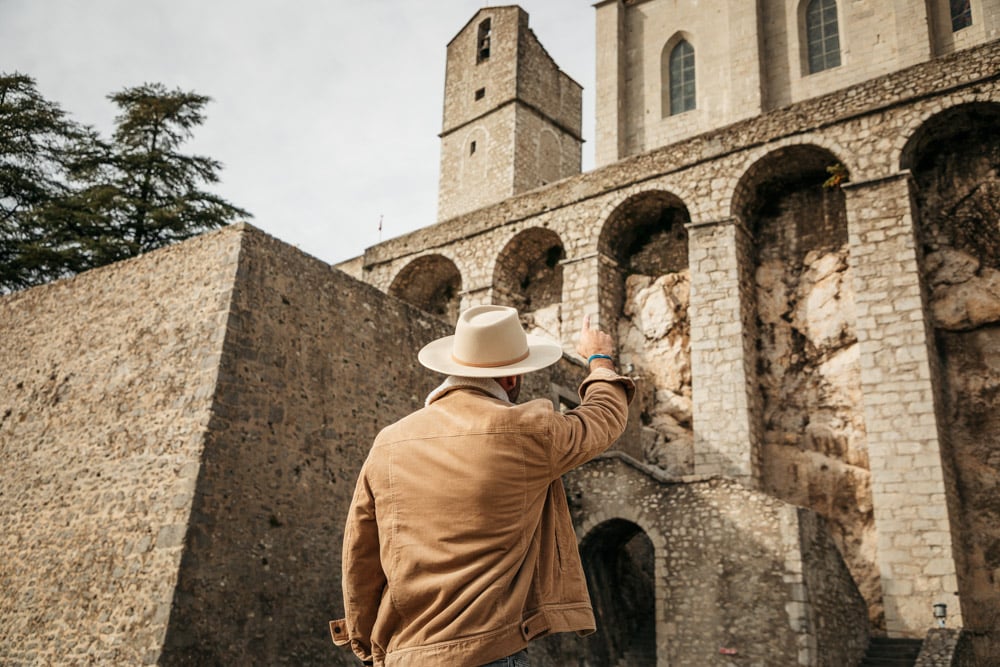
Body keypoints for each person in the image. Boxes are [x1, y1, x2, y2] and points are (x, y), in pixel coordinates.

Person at [330, 305, 635, 666]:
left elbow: (360, 557)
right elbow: (603, 417)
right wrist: (600, 359)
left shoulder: (388, 443)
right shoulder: (528, 431)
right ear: (510, 379)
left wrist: (367, 647)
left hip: (406, 654)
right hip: (488, 651)